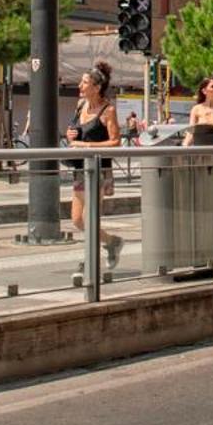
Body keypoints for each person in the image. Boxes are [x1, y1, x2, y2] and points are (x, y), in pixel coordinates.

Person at [65, 61, 124, 270]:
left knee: (89, 219)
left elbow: (116, 142)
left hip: (99, 169)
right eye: (81, 82)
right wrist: (70, 134)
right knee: (77, 220)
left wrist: (86, 144)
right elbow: (74, 131)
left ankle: (90, 263)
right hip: (81, 169)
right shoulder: (80, 106)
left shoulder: (108, 110)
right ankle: (112, 242)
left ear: (96, 87)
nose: (80, 86)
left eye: (84, 82)